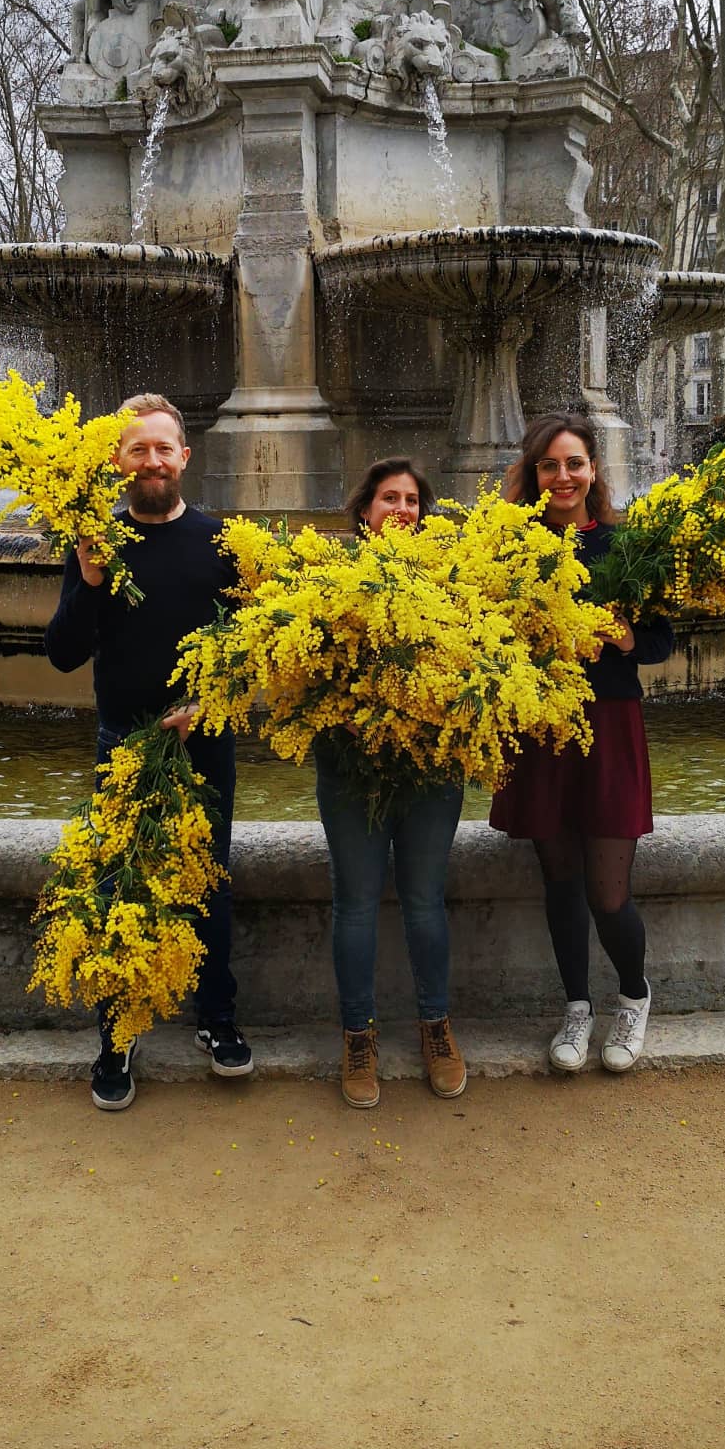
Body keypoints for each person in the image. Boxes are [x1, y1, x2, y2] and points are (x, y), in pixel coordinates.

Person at [45, 393, 252, 1111]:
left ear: (184, 458)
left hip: (206, 743)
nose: (153, 461)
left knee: (207, 884)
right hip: (122, 745)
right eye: (139, 450)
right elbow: (63, 654)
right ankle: (117, 1036)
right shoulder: (96, 545)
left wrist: (210, 705)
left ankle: (216, 1019)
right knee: (118, 887)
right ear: (118, 461)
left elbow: (250, 655)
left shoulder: (223, 544)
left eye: (163, 448)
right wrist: (92, 582)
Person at [490, 412, 673, 1075]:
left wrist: (625, 638)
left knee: (608, 893)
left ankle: (633, 995)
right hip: (540, 727)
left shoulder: (625, 547)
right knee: (560, 881)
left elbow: (660, 641)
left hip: (609, 727)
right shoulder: (511, 547)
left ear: (593, 469)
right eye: (549, 465)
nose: (562, 476)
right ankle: (576, 1006)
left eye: (573, 463)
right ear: (533, 474)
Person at [315, 457, 467, 1110]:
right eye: (390, 498)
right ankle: (358, 1037)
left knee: (425, 901)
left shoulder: (456, 580)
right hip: (350, 762)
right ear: (365, 512)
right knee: (354, 902)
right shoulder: (325, 579)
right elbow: (297, 667)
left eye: (412, 500)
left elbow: (481, 662)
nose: (402, 509)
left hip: (433, 764)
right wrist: (345, 713)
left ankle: (435, 1026)